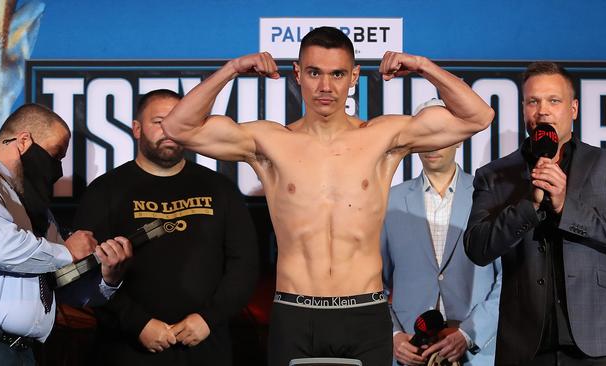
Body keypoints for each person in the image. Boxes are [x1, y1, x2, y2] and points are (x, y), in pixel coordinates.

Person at [161, 26, 493, 365]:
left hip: (364, 313)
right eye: (314, 72)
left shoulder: (382, 138)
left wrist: (423, 66)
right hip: (295, 312)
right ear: (298, 75)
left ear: (354, 76)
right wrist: (232, 69)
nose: (325, 86)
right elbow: (178, 128)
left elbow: (478, 116)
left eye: (337, 74)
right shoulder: (269, 143)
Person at [464, 61, 606, 365]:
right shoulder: (494, 175)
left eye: (553, 101)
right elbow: (477, 248)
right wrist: (529, 207)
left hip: (599, 341)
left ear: (573, 109)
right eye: (533, 101)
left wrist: (565, 206)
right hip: (526, 344)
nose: (542, 111)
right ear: (523, 108)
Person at [73, 89, 259, 366]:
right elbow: (84, 272)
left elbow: (244, 266)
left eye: (178, 122)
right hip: (127, 349)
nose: (169, 130)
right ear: (136, 129)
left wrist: (209, 318)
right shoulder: (105, 191)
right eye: (159, 121)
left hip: (206, 346)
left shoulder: (220, 189)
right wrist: (137, 323)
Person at [0, 103, 132, 366]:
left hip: (26, 352)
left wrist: (108, 278)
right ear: (23, 141)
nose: (57, 170)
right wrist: (68, 251)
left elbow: (62, 282)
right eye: (55, 156)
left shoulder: (36, 207)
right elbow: (0, 250)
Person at [381, 100, 501, 366]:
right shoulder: (390, 201)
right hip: (409, 354)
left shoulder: (490, 197)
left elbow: (508, 279)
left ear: (459, 139)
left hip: (476, 354)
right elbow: (371, 281)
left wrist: (469, 333)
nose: (433, 143)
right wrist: (393, 335)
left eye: (443, 133)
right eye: (425, 134)